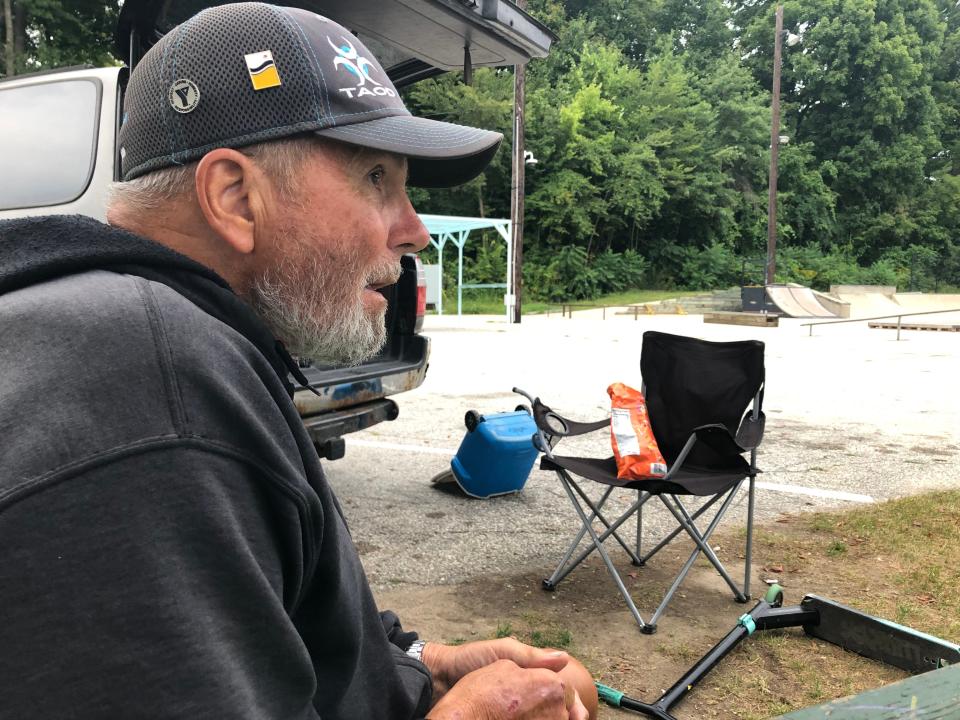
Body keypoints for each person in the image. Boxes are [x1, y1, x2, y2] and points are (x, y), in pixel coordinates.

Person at [0, 3, 598, 719]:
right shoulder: (153, 395)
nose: (414, 232)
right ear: (235, 198)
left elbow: (279, 624)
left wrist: (418, 667)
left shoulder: (175, 341)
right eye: (377, 178)